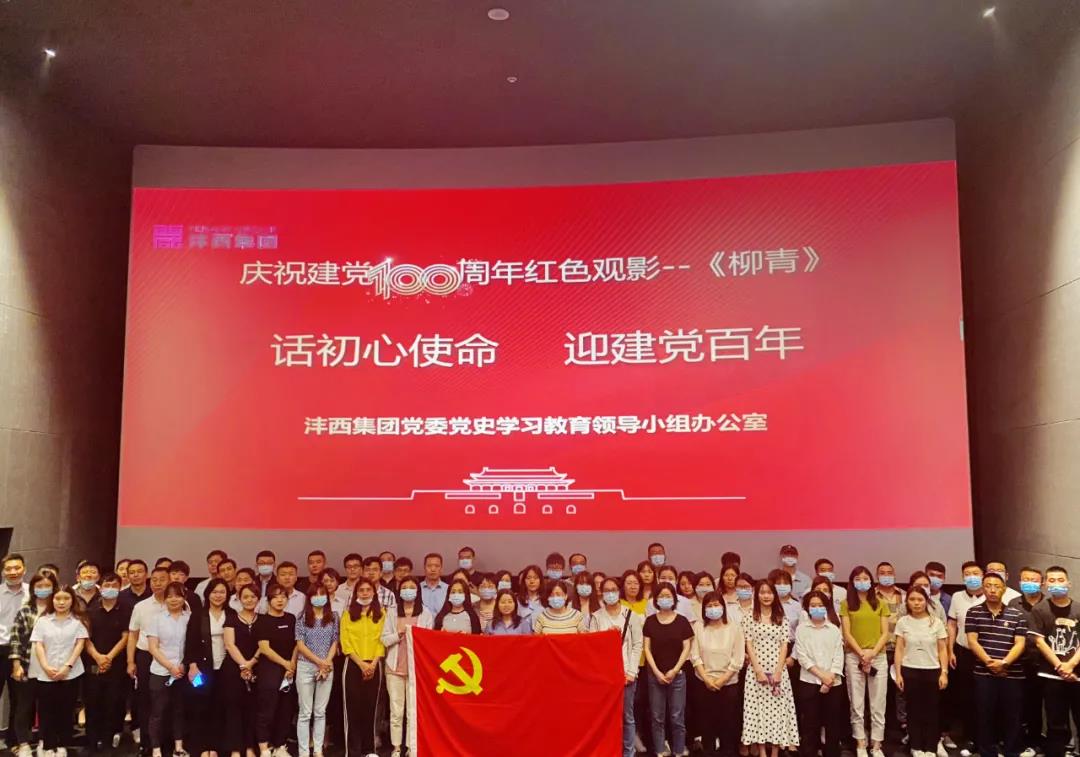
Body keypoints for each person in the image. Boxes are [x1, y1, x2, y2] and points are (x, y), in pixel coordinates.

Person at [965, 572, 1026, 757]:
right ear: (983, 588)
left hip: (1012, 673)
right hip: (983, 673)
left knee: (1013, 716)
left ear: (1004, 589)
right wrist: (990, 663)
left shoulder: (1017, 614)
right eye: (988, 586)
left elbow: (1020, 643)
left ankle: (1011, 751)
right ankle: (987, 752)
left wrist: (1004, 663)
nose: (992, 590)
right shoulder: (973, 612)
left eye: (997, 586)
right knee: (984, 714)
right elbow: (972, 641)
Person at [29, 584, 89, 757]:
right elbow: (39, 645)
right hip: (46, 673)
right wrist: (46, 666)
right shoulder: (43, 621)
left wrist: (67, 667)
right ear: (52, 600)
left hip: (70, 673)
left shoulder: (78, 621)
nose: (61, 602)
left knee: (65, 710)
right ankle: (48, 746)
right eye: (58, 598)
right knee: (46, 711)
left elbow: (79, 645)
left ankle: (62, 744)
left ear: (72, 600)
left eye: (66, 598)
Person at [741, 579, 800, 756]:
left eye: (769, 592)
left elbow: (784, 645)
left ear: (774, 595)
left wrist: (778, 671)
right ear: (756, 595)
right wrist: (758, 671)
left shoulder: (782, 618)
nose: (766, 596)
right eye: (762, 592)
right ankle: (761, 752)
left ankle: (775, 752)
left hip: (778, 671)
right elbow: (749, 644)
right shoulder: (749, 617)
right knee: (757, 712)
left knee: (777, 712)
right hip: (755, 672)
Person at [1027, 566, 1080, 757]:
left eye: (1060, 580)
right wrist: (1060, 666)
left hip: (1077, 675)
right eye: (1052, 580)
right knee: (1056, 724)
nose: (1056, 584)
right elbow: (1039, 642)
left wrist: (1071, 665)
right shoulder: (1039, 609)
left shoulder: (1078, 608)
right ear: (1045, 585)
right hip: (1051, 675)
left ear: (1069, 583)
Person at [840, 566, 889, 757]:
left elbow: (885, 633)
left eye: (865, 578)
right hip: (855, 657)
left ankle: (876, 744)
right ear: (852, 582)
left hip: (878, 657)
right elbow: (847, 633)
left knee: (878, 703)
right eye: (858, 579)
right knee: (856, 703)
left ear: (871, 581)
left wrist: (872, 653)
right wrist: (861, 654)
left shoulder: (880, 603)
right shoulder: (846, 604)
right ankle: (860, 742)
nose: (862, 582)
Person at [894, 586, 949, 757]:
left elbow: (942, 649)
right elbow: (899, 649)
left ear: (926, 601)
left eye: (920, 599)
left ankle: (931, 747)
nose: (916, 603)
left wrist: (944, 672)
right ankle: (916, 746)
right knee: (913, 710)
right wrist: (898, 674)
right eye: (912, 599)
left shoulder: (936, 622)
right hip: (910, 670)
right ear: (907, 602)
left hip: (932, 670)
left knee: (932, 711)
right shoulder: (903, 622)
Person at [593, 577, 644, 757]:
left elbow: (637, 644)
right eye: (606, 590)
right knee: (606, 717)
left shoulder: (630, 615)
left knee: (627, 717)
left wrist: (632, 672)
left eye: (613, 589)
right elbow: (592, 647)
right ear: (601, 593)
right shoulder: (596, 617)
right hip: (605, 677)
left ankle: (629, 752)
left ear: (619, 591)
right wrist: (605, 637)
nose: (610, 593)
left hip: (626, 674)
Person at [382, 577, 433, 757]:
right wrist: (398, 635)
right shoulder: (392, 611)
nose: (408, 591)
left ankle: (412, 747)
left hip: (415, 669)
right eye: (405, 587)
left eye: (412, 587)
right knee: (396, 711)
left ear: (417, 591)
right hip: (394, 667)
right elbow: (384, 639)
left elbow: (429, 641)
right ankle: (396, 747)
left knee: (413, 711)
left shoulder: (425, 613)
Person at [691, 590, 744, 757]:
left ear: (723, 607)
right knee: (707, 724)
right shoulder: (699, 627)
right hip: (704, 682)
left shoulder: (734, 628)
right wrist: (707, 679)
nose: (713, 608)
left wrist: (722, 680)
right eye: (709, 606)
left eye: (716, 605)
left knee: (728, 723)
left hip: (728, 683)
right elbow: (695, 656)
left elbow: (738, 658)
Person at [643, 583, 694, 757]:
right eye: (661, 596)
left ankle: (679, 750)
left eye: (668, 596)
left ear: (674, 599)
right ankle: (660, 750)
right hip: (655, 675)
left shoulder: (682, 621)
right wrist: (656, 672)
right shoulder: (650, 621)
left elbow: (687, 648)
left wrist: (675, 670)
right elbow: (647, 649)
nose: (665, 599)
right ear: (655, 600)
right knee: (657, 716)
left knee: (677, 716)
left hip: (677, 675)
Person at [9, 571, 56, 757]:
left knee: (47, 707)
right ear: (33, 589)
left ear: (53, 588)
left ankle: (45, 742)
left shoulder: (58, 610)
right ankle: (23, 744)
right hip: (28, 665)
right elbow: (15, 639)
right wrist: (16, 664)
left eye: (47, 586)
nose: (43, 589)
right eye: (39, 586)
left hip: (51, 668)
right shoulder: (25, 611)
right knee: (24, 707)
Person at [185, 578, 232, 757]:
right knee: (201, 706)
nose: (218, 596)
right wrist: (192, 666)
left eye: (222, 592)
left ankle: (217, 748)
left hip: (226, 669)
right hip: (201, 669)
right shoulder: (198, 615)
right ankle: (202, 748)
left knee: (221, 708)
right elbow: (191, 642)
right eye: (214, 592)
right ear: (207, 594)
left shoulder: (232, 614)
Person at [794, 590, 845, 757]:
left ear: (827, 607)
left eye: (820, 605)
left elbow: (839, 655)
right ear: (807, 608)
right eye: (813, 605)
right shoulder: (801, 629)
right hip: (809, 681)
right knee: (810, 724)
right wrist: (822, 676)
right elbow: (802, 657)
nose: (817, 608)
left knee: (833, 724)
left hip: (833, 683)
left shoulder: (834, 629)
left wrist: (830, 678)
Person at [83, 572, 130, 752]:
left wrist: (108, 657)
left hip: (116, 665)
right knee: (93, 704)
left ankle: (108, 741)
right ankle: (91, 742)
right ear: (100, 587)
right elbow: (85, 638)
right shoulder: (91, 610)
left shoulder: (126, 609)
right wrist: (97, 656)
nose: (110, 589)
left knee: (113, 704)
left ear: (120, 588)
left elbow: (126, 637)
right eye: (106, 586)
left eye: (114, 586)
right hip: (93, 663)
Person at [340, 578, 386, 757]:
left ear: (374, 593)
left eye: (368, 590)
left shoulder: (381, 614)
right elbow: (345, 641)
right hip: (353, 664)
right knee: (352, 709)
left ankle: (369, 750)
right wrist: (360, 664)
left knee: (371, 708)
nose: (365, 593)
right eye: (361, 590)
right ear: (356, 594)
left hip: (374, 664)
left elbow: (382, 640)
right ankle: (352, 752)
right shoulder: (347, 614)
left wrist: (373, 664)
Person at [147, 581, 192, 757]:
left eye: (178, 596)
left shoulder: (190, 618)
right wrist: (170, 666)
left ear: (184, 598)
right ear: (164, 599)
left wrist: (183, 665)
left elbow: (193, 645)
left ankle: (178, 747)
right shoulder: (156, 619)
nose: (174, 599)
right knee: (158, 712)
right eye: (170, 596)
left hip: (183, 671)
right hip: (161, 671)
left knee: (179, 710)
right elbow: (153, 647)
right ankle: (156, 749)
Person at [294, 582, 339, 757]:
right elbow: (300, 644)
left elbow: (335, 641)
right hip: (306, 666)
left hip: (327, 667)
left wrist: (326, 663)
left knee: (320, 712)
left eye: (322, 594)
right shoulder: (302, 617)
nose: (319, 597)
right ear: (309, 597)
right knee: (305, 713)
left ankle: (318, 750)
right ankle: (304, 751)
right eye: (315, 594)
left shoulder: (333, 616)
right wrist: (319, 662)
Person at [127, 566, 170, 747]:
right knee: (145, 699)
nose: (158, 583)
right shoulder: (141, 606)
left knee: (168, 700)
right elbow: (133, 635)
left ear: (170, 581)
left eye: (162, 579)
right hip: (145, 656)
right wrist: (130, 661)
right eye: (154, 580)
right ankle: (147, 743)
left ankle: (166, 742)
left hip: (170, 658)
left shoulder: (179, 604)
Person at [254, 583, 298, 757]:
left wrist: (291, 664)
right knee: (267, 709)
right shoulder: (262, 620)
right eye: (275, 597)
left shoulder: (291, 619)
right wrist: (285, 663)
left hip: (289, 670)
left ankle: (280, 746)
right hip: (269, 669)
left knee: (285, 710)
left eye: (283, 596)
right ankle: (264, 748)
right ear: (268, 600)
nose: (280, 600)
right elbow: (264, 648)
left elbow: (297, 644)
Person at [946, 561, 986, 752]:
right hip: (963, 652)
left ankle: (988, 739)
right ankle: (970, 738)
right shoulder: (957, 597)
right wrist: (950, 650)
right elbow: (952, 624)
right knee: (966, 697)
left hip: (987, 654)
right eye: (967, 574)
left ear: (983, 575)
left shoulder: (990, 595)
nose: (972, 577)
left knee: (986, 697)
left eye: (975, 573)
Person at [1007, 566, 1045, 755]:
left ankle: (1035, 742)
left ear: (1042, 583)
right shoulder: (1013, 603)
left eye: (1034, 580)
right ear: (1020, 581)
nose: (1029, 583)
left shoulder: (1047, 604)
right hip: (1018, 662)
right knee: (1016, 704)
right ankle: (1016, 741)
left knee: (1036, 705)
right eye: (1026, 579)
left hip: (1043, 662)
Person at [222, 584, 262, 757]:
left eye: (253, 596)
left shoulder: (263, 620)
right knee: (234, 709)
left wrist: (251, 663)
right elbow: (229, 644)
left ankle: (250, 747)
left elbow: (264, 645)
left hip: (257, 667)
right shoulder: (231, 619)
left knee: (253, 709)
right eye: (245, 597)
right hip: (233, 668)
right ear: (239, 598)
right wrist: (243, 664)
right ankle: (235, 749)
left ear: (258, 599)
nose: (249, 600)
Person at [1, 554, 29, 744]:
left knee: (19, 699)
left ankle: (14, 741)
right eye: (8, 568)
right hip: (0, 648)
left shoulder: (31, 593)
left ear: (24, 569)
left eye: (17, 568)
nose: (13, 572)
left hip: (22, 652)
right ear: (3, 572)